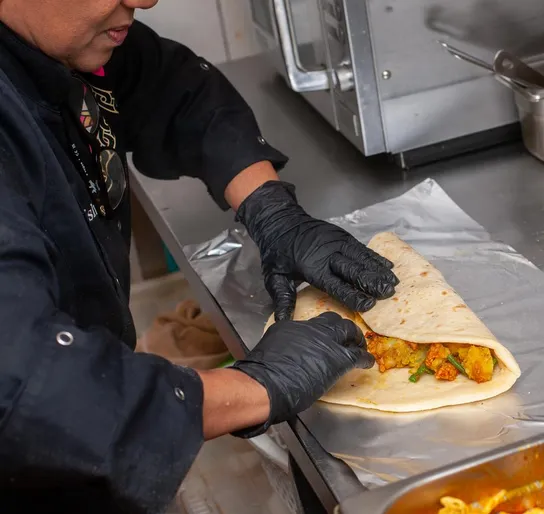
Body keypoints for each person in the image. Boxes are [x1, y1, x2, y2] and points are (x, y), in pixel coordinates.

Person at [0, 0, 398, 511]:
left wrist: (271, 209)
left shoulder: (56, 38)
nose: (146, 0)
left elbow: (172, 87)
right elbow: (27, 392)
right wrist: (254, 386)